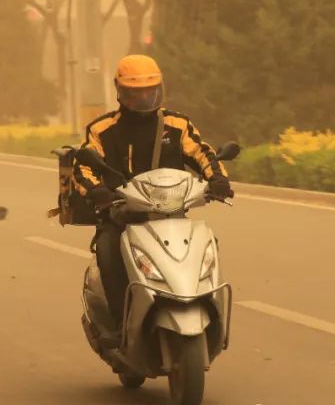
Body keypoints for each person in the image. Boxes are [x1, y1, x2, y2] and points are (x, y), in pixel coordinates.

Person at [73, 55, 234, 335]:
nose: (145, 97)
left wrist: (218, 179)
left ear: (160, 88)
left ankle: (208, 305)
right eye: (137, 92)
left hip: (172, 214)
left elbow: (203, 153)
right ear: (121, 92)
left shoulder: (178, 125)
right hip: (122, 216)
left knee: (208, 243)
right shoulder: (102, 130)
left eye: (151, 90)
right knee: (109, 251)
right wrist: (98, 192)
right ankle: (118, 324)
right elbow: (83, 167)